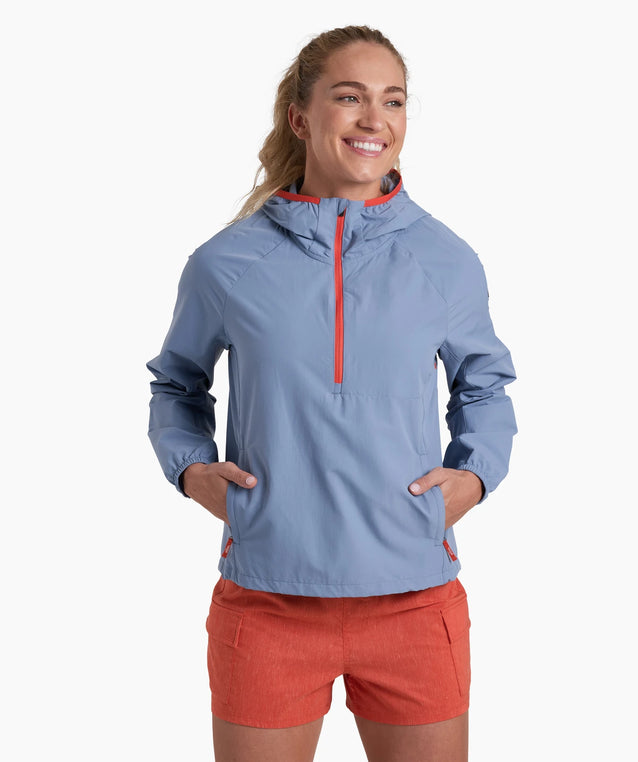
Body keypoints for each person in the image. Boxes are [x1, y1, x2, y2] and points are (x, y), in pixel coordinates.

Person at [146, 25, 517, 762]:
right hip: (268, 601)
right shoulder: (227, 262)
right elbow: (177, 384)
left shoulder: (445, 259)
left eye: (393, 100)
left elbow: (485, 387)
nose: (375, 118)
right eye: (350, 97)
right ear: (300, 116)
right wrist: (192, 470)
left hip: (414, 600)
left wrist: (474, 477)